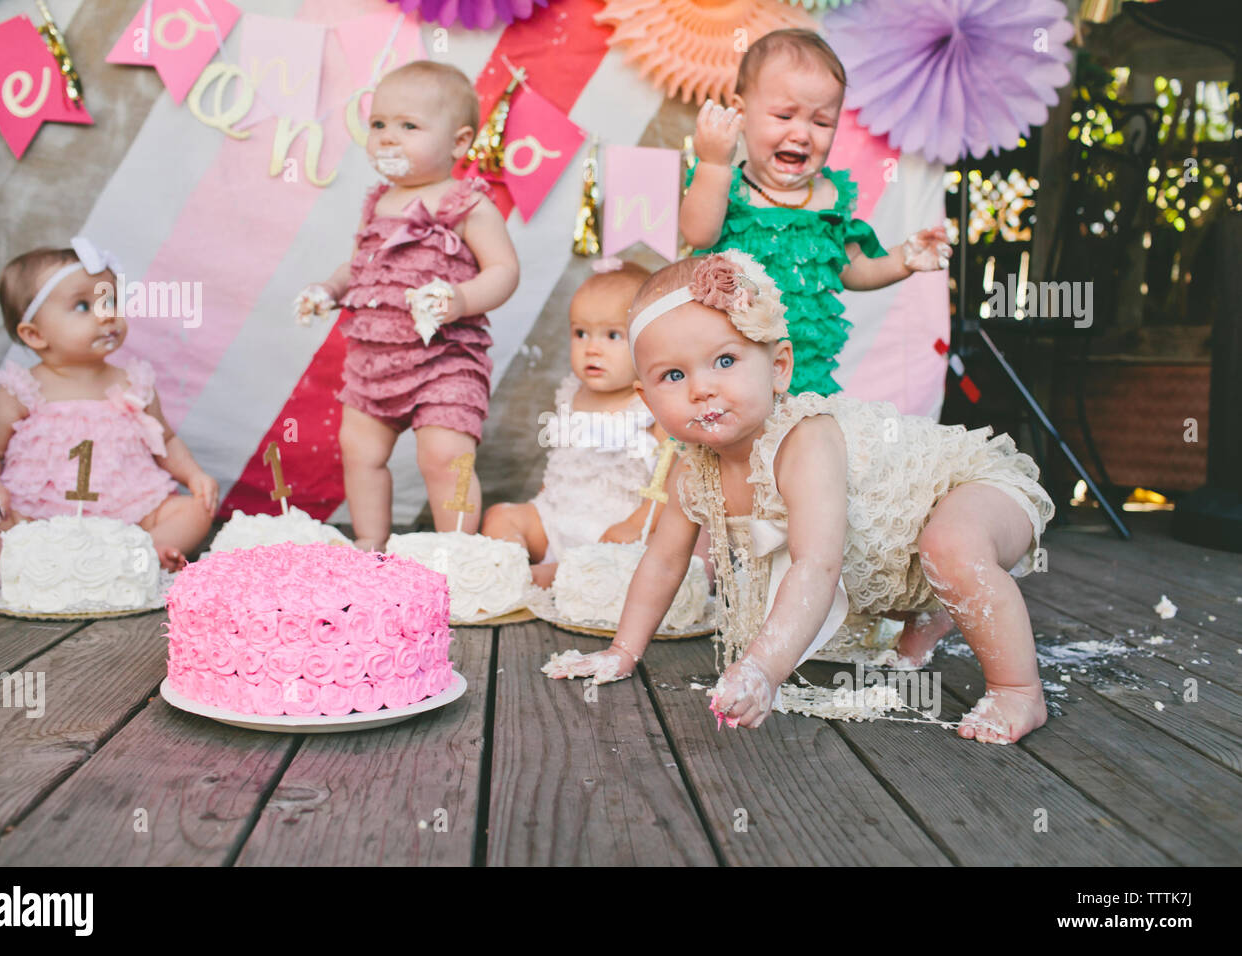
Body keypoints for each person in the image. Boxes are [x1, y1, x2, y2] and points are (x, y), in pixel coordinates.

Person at [544, 251, 1056, 744]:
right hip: (901, 543)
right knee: (906, 561)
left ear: (779, 367)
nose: (701, 388)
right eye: (673, 376)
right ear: (646, 398)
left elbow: (816, 567)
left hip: (975, 487)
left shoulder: (805, 440)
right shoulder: (692, 471)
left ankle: (1018, 689)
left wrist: (763, 669)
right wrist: (623, 650)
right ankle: (927, 615)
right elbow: (661, 560)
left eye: (725, 360)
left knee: (950, 546)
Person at [295, 61, 519, 550]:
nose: (387, 138)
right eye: (378, 125)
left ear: (459, 143)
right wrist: (328, 291)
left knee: (444, 455)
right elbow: (359, 265)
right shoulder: (378, 201)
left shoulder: (467, 204)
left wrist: (460, 299)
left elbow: (504, 271)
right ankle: (370, 548)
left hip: (445, 357)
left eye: (408, 126)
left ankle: (458, 553)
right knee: (359, 451)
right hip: (374, 360)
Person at [679, 28, 951, 396]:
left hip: (802, 370)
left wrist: (904, 258)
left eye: (821, 122)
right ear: (741, 114)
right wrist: (712, 163)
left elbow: (852, 267)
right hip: (726, 364)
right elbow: (699, 235)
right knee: (728, 448)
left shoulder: (829, 197)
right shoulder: (727, 185)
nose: (802, 134)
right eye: (784, 115)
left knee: (803, 446)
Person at [0, 239, 217, 570]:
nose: (107, 315)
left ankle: (145, 553)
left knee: (195, 509)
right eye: (83, 306)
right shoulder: (21, 389)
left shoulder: (135, 383)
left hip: (129, 517)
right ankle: (6, 565)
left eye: (111, 301)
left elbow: (166, 441)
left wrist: (193, 475)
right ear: (34, 334)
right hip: (35, 518)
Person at [482, 261, 666, 586]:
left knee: (647, 556)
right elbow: (563, 462)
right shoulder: (571, 392)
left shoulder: (654, 404)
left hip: (616, 526)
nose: (591, 348)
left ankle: (543, 578)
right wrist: (542, 501)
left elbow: (670, 484)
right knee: (500, 516)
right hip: (557, 516)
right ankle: (511, 566)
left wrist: (636, 526)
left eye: (613, 335)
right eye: (580, 333)